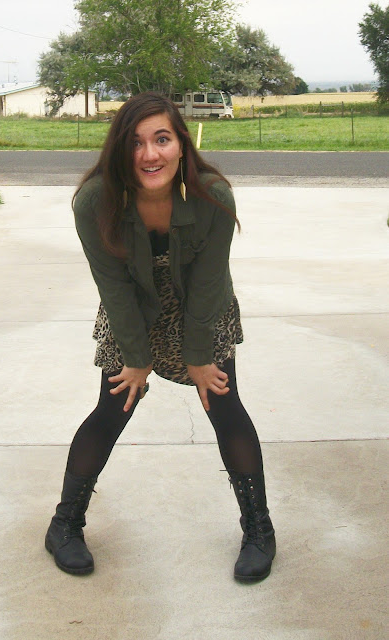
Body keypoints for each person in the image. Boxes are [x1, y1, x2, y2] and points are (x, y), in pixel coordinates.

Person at [45, 92, 276, 583]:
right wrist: (136, 357)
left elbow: (210, 282)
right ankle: (64, 525)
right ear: (119, 150)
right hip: (131, 308)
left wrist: (198, 356)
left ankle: (259, 529)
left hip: (201, 308)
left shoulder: (213, 196)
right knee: (114, 405)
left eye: (162, 139)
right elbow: (112, 286)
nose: (150, 154)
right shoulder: (95, 201)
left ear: (181, 144)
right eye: (135, 143)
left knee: (223, 403)